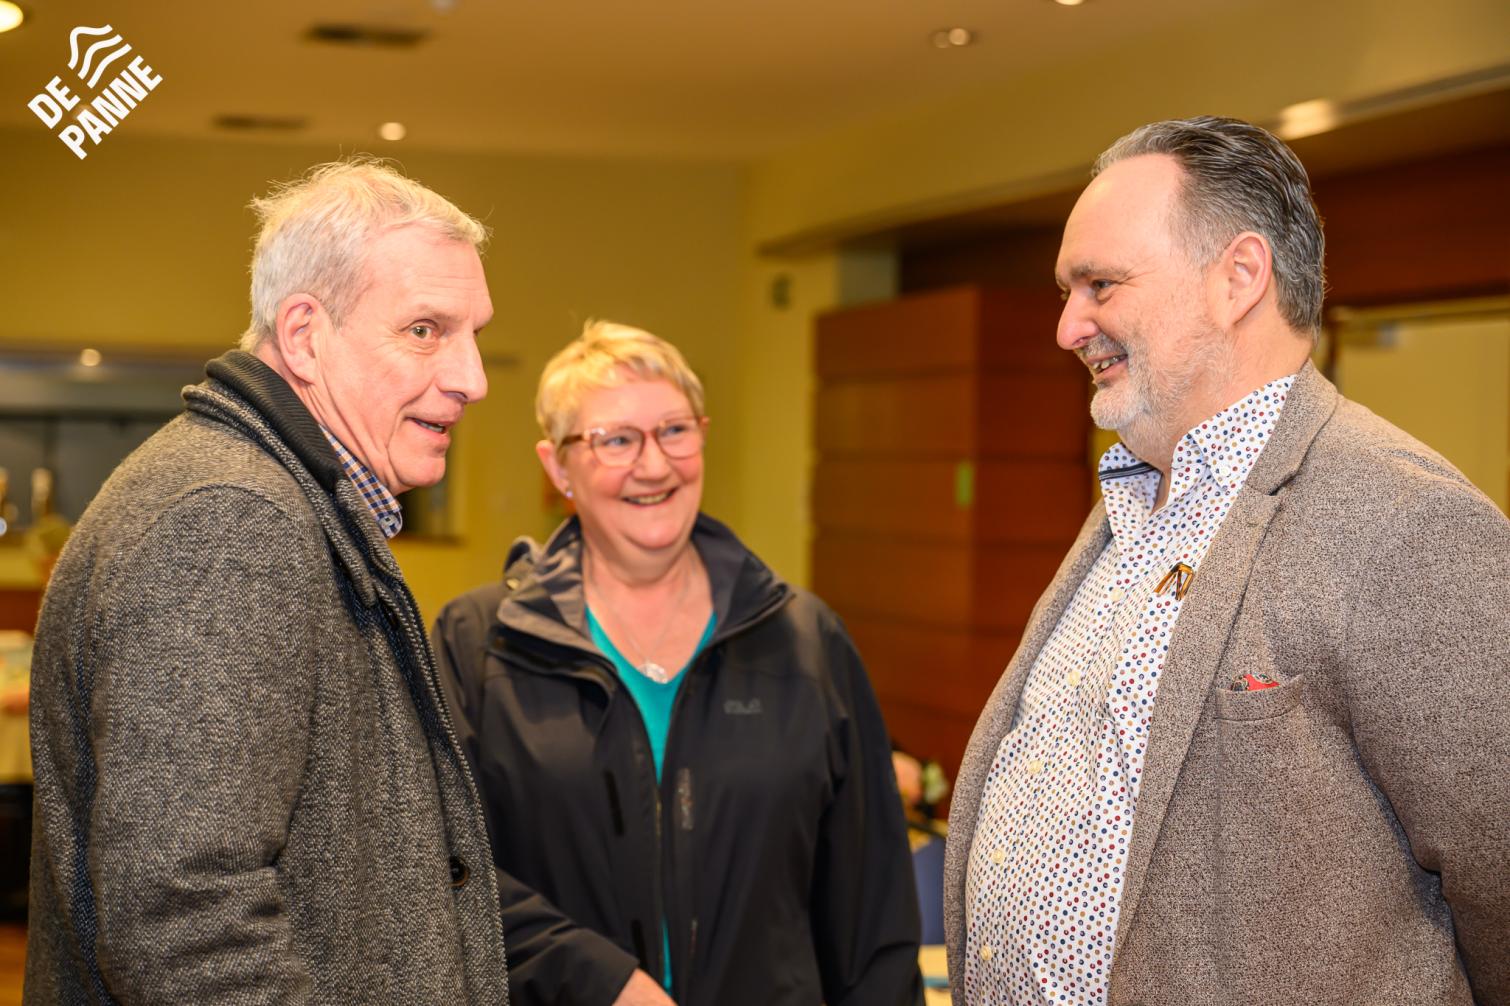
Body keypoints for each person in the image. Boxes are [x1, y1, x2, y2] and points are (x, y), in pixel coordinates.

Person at [943, 116, 1510, 1005]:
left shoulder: (1409, 524)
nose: (1066, 327)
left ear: (1239, 277)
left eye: (1100, 285)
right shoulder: (1130, 501)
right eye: (1066, 291)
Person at [25, 159, 510, 1002]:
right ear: (304, 336)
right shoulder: (230, 519)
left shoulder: (272, 496)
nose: (473, 379)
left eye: (473, 335)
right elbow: (186, 922)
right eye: (425, 331)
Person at [432, 321, 924, 1006]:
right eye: (616, 440)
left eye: (674, 431)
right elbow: (440, 866)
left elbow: (872, 913)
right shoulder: (480, 644)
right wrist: (600, 982)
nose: (655, 465)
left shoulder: (805, 641)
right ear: (558, 466)